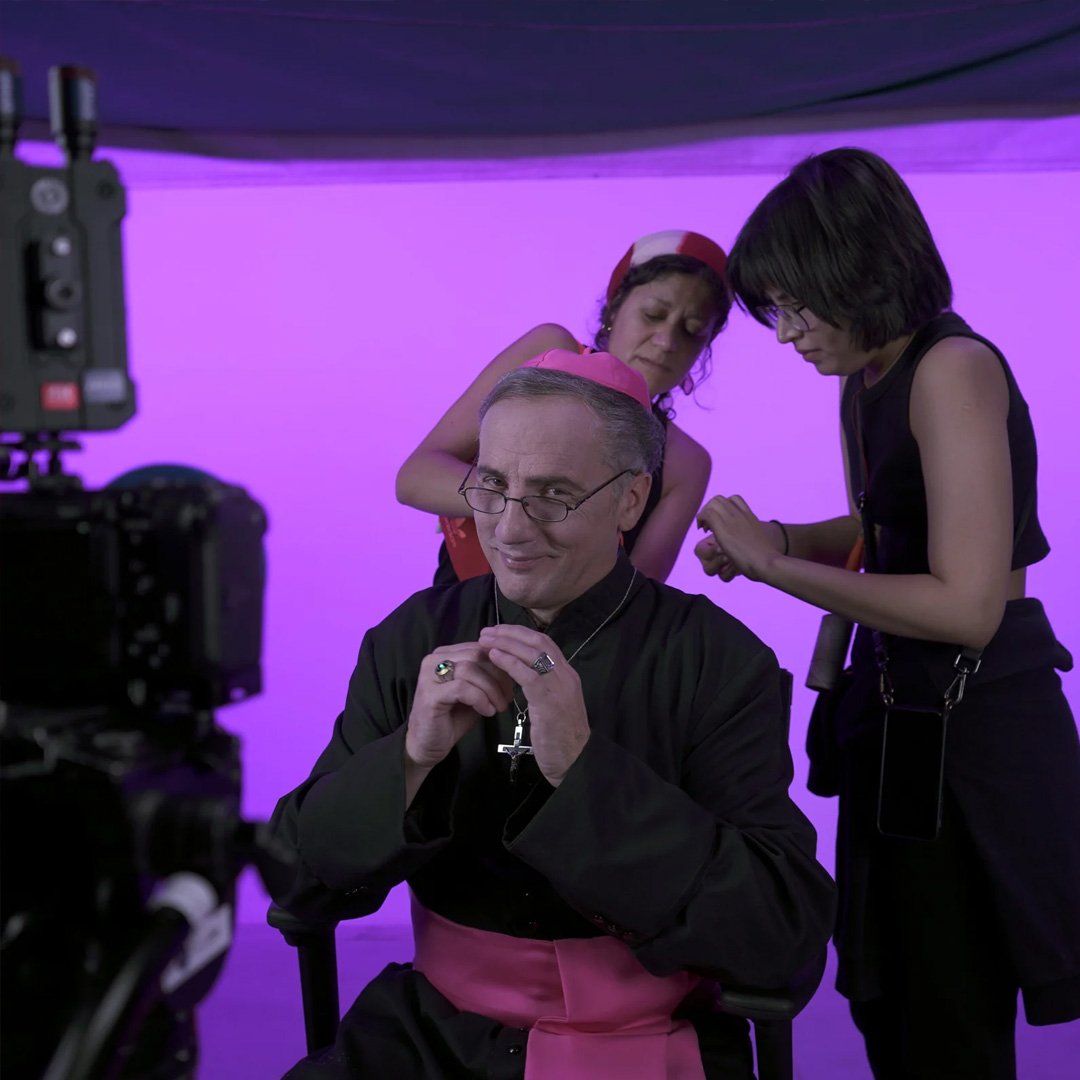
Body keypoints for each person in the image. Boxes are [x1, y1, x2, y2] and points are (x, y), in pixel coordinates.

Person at [271, 349, 836, 1079]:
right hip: (431, 1037)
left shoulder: (717, 660)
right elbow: (298, 876)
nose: (509, 531)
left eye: (552, 495)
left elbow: (781, 930)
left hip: (647, 1039)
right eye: (492, 487)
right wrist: (409, 759)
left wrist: (583, 769)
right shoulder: (415, 638)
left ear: (630, 501)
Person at [695, 147, 1080, 1079]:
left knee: (950, 1012)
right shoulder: (864, 379)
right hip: (900, 709)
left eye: (795, 306)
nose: (786, 334)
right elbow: (885, 529)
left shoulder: (954, 367)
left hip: (974, 723)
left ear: (855, 270)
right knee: (888, 991)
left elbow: (967, 606)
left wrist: (773, 564)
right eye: (774, 311)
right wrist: (779, 537)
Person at [396, 230, 730, 585]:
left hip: (579, 623)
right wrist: (531, 504)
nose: (666, 341)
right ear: (614, 309)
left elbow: (637, 593)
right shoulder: (547, 352)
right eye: (653, 315)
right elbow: (415, 477)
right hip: (458, 606)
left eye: (692, 330)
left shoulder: (686, 463)